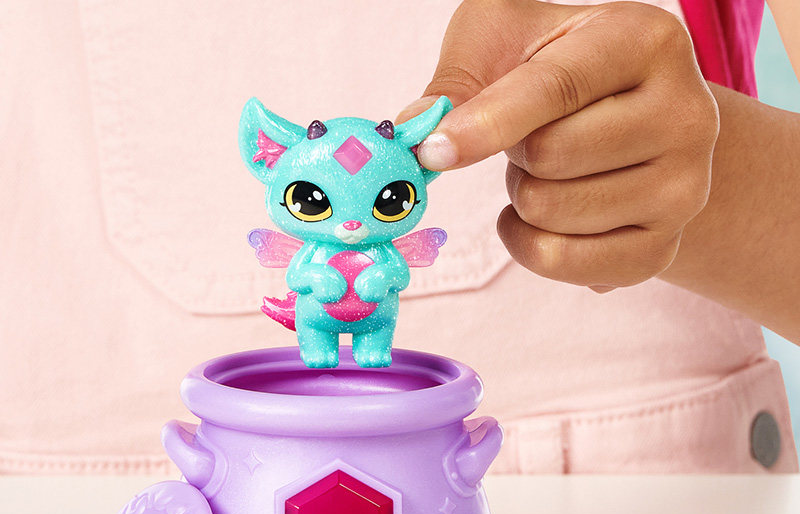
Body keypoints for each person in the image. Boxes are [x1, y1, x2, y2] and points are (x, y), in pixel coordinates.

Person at [1, 0, 797, 475]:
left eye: (381, 200)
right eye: (315, 200)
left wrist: (705, 180)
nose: (351, 223)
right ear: (269, 160)